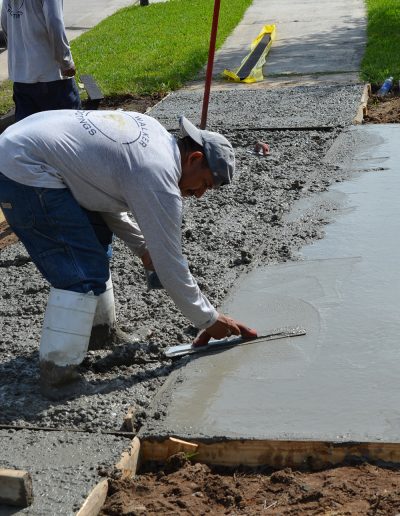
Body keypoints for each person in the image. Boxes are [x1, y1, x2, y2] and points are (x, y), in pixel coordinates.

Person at [0, 109, 256, 397]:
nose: (199, 194)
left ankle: (100, 334)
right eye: (205, 184)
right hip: (26, 167)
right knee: (81, 272)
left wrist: (141, 247)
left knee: (96, 246)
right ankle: (58, 375)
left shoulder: (156, 137)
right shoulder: (158, 177)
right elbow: (170, 263)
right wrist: (209, 319)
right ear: (194, 159)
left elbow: (101, 196)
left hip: (26, 144)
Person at [1, 0, 81, 122]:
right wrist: (66, 61)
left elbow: (5, 22)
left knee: (28, 135)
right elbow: (54, 22)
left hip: (21, 77)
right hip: (51, 76)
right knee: (69, 127)